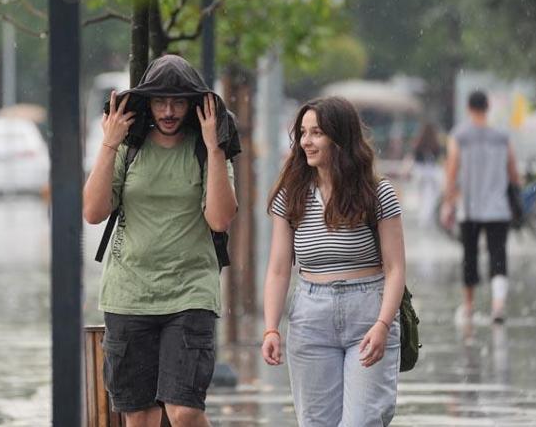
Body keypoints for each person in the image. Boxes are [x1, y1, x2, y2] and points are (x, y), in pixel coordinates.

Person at [83, 54, 239, 427]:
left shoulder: (206, 150)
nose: (169, 111)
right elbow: (92, 212)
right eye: (160, 101)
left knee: (184, 411)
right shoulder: (128, 147)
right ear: (147, 103)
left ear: (194, 105)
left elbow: (219, 219)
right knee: (138, 415)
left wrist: (214, 146)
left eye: (179, 102)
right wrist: (109, 144)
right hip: (129, 294)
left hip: (190, 293)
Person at [261, 96, 406, 427]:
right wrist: (271, 328)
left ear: (340, 138)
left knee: (363, 421)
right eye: (302, 132)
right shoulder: (291, 194)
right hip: (310, 316)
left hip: (368, 313)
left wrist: (383, 324)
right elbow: (280, 269)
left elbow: (396, 268)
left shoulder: (376, 192)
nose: (306, 142)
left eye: (316, 133)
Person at [441, 89, 519, 324]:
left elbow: (452, 168)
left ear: (468, 108)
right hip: (498, 208)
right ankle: (498, 306)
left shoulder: (459, 135)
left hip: (470, 208)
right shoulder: (502, 136)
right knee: (498, 255)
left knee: (470, 256)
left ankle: (468, 306)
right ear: (487, 107)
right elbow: (513, 171)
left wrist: (448, 202)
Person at [406, 122, 443, 229]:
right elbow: (439, 159)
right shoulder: (436, 144)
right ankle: (427, 217)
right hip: (432, 174)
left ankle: (423, 217)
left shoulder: (419, 143)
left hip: (419, 173)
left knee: (422, 196)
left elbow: (412, 157)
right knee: (430, 196)